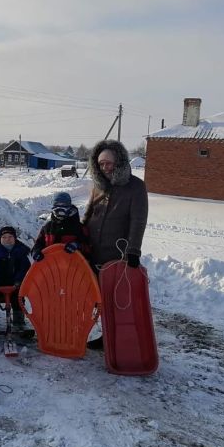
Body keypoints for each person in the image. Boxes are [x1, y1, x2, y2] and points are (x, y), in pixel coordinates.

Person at [82, 139, 148, 349]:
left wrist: (133, 250)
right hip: (92, 250)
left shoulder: (135, 187)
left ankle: (112, 338)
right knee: (93, 296)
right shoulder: (99, 185)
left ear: (119, 161)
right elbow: (89, 213)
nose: (105, 168)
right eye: (100, 164)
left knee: (113, 299)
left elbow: (138, 220)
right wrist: (79, 235)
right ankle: (86, 332)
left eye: (108, 163)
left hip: (116, 253)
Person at [0, 226, 31, 339]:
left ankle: (19, 322)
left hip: (15, 284)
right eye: (4, 237)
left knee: (18, 298)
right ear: (0, 239)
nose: (7, 239)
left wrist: (18, 281)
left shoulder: (21, 252)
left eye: (10, 237)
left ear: (15, 238)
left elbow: (24, 268)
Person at [31, 191, 89, 261]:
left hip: (73, 267)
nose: (60, 210)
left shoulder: (79, 228)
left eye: (64, 206)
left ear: (69, 208)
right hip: (51, 267)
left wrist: (77, 245)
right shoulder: (47, 228)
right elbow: (38, 244)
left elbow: (89, 248)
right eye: (57, 206)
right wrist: (36, 251)